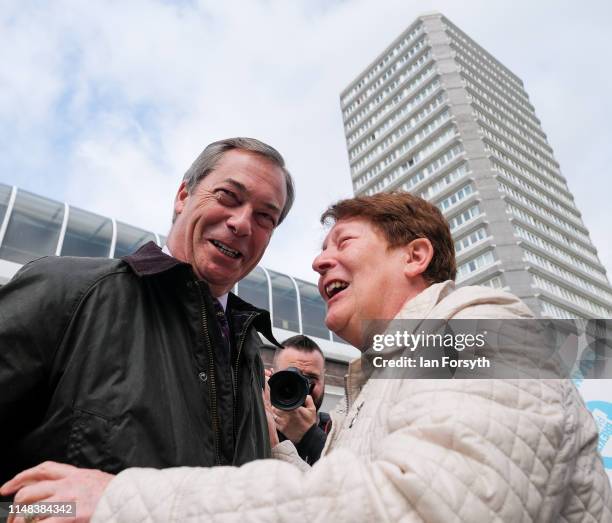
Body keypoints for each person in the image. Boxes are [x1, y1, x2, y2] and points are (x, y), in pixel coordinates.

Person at [3, 192, 610, 522]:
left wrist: (119, 501)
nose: (319, 261)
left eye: (342, 242)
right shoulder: (384, 379)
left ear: (415, 255)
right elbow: (330, 493)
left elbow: (419, 505)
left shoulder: (484, 329)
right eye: (319, 249)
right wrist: (280, 444)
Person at [0, 137, 294, 488]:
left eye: (265, 217)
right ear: (183, 196)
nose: (243, 223)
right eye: (228, 197)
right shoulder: (66, 290)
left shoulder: (248, 354)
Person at [270, 335, 332, 465]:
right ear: (271, 377)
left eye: (310, 379)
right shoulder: (252, 424)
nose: (301, 387)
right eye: (289, 378)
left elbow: (348, 477)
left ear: (324, 381)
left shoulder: (337, 430)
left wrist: (311, 436)